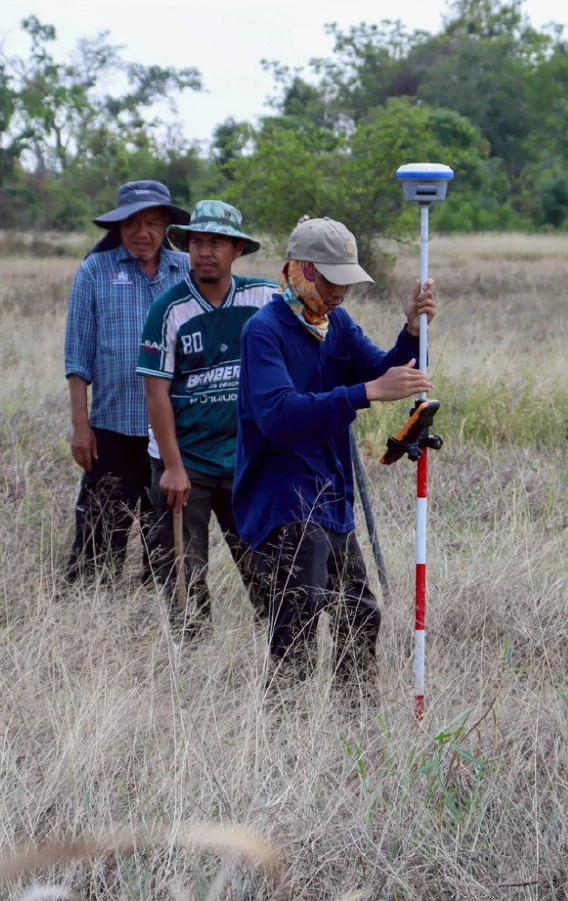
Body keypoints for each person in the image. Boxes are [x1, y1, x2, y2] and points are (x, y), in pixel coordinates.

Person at [233, 217, 438, 701]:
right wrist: (365, 393)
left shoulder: (336, 323)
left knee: (360, 613)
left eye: (347, 278)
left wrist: (411, 330)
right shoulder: (264, 332)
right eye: (332, 277)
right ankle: (288, 740)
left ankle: (353, 724)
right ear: (302, 270)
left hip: (330, 493)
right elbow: (278, 415)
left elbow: (387, 371)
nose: (342, 289)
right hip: (284, 497)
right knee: (299, 624)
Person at [138, 200, 274, 636]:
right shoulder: (169, 309)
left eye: (216, 242)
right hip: (186, 462)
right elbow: (156, 393)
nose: (204, 251)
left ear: (237, 249)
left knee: (263, 565)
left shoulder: (263, 298)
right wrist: (174, 468)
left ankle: (283, 652)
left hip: (244, 460)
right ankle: (192, 666)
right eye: (197, 242)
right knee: (184, 572)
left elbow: (313, 308)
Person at [63, 180, 190, 585]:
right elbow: (77, 357)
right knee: (98, 539)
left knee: (166, 539)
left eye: (153, 222)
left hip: (173, 431)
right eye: (132, 223)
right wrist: (81, 428)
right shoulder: (96, 270)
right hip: (111, 427)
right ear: (118, 227)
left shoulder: (187, 271)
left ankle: (155, 616)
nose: (143, 233)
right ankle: (90, 612)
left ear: (167, 225)